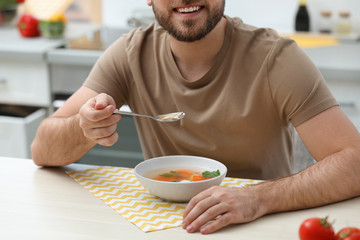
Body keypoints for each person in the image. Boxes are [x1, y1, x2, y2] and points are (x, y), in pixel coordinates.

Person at [31, 0, 360, 235]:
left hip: (261, 224)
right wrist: (84, 126)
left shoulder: (277, 58)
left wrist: (257, 198)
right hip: (162, 227)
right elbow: (42, 150)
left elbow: (354, 161)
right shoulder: (130, 54)